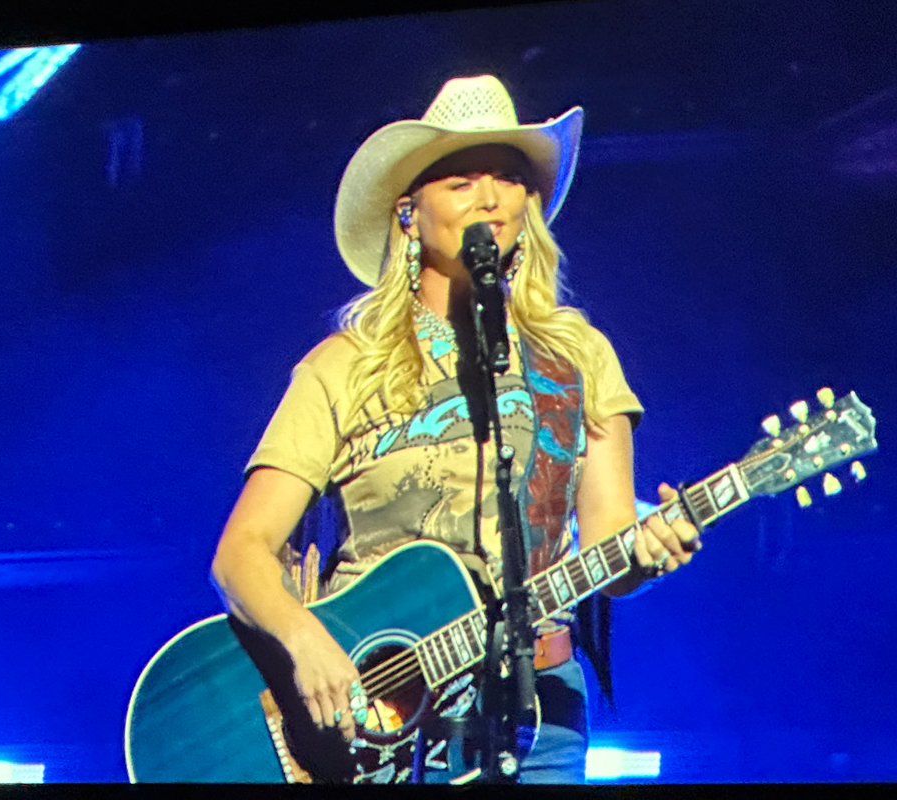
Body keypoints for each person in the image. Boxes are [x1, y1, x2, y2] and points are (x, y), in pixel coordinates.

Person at [209, 74, 701, 784]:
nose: (489, 196)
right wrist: (304, 638)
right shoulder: (344, 367)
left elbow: (608, 543)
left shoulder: (579, 357)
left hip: (540, 715)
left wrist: (646, 555)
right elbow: (241, 553)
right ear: (409, 213)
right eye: (461, 179)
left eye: (505, 177)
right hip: (370, 722)